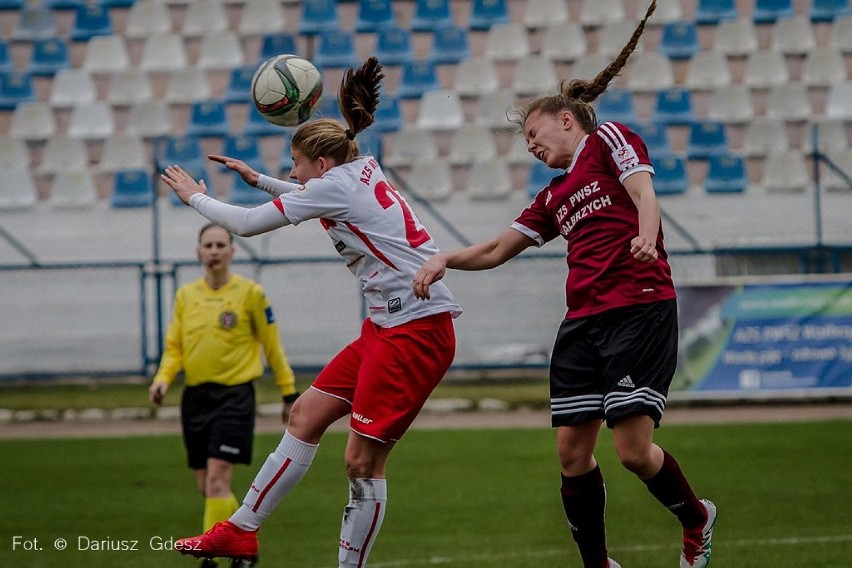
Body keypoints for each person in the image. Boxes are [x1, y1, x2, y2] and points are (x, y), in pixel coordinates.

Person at [412, 2, 716, 568]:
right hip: (582, 324)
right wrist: (444, 259)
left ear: (566, 119)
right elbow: (499, 248)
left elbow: (645, 192)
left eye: (533, 132)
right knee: (572, 454)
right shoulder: (553, 194)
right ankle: (598, 563)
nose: (529, 144)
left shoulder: (609, 141)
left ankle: (696, 517)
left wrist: (647, 237)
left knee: (630, 452)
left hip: (638, 308)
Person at [160, 56, 461, 567]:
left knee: (362, 463)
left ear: (320, 166)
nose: (291, 172)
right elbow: (311, 195)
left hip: (416, 331)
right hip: (387, 326)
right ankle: (242, 529)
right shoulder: (357, 168)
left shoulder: (333, 184)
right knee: (304, 416)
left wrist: (196, 199)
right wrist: (260, 179)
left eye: (295, 164)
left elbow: (252, 225)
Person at [149, 223, 299, 568]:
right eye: (208, 245)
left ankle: (210, 558)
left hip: (235, 397)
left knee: (218, 478)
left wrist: (288, 392)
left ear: (232, 251)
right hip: (195, 399)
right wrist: (162, 379)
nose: (214, 250)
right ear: (198, 252)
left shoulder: (251, 294)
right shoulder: (186, 295)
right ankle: (245, 543)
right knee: (207, 487)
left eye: (220, 244)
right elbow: (174, 347)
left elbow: (272, 347)